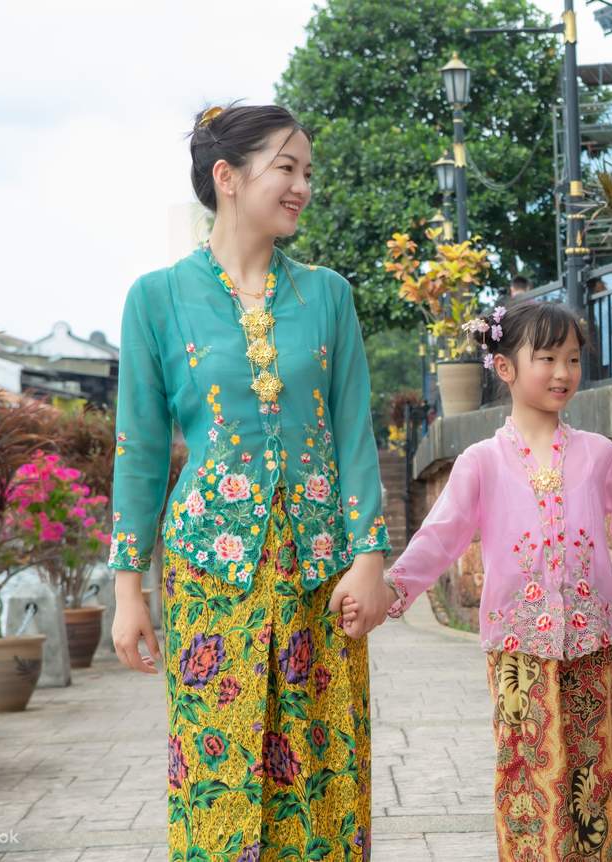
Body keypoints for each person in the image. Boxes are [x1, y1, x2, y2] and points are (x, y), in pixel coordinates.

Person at [108, 104, 390, 861]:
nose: (301, 186)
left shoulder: (327, 295)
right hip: (210, 571)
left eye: (306, 172)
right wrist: (128, 588)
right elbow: (137, 450)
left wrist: (370, 557)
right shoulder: (156, 299)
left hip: (321, 570)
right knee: (218, 774)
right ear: (227, 178)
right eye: (285, 168)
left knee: (325, 774)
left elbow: (352, 432)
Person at [342, 301, 612, 861]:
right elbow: (440, 537)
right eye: (547, 358)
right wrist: (390, 591)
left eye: (574, 359)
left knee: (594, 781)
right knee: (525, 777)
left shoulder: (599, 456)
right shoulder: (481, 462)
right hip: (516, 652)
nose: (563, 373)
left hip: (593, 648)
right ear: (505, 367)